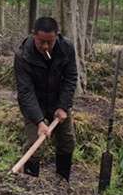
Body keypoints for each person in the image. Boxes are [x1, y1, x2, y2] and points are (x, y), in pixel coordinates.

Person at [14, 16, 78, 185]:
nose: (45, 46)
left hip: (58, 101)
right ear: (34, 35)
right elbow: (25, 91)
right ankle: (30, 184)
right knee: (34, 143)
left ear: (57, 36)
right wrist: (39, 121)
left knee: (67, 141)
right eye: (41, 41)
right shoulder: (23, 55)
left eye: (50, 42)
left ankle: (62, 182)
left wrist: (63, 106)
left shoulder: (67, 48)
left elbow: (71, 77)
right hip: (35, 103)